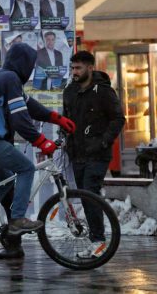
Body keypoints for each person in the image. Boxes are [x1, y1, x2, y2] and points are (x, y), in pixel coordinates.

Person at [0, 43, 76, 236]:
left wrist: (56, 118)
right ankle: (17, 219)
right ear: (25, 64)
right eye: (31, 66)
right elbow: (20, 118)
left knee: (5, 179)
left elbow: (30, 105)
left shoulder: (3, 78)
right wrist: (40, 141)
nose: (30, 71)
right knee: (26, 168)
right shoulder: (10, 78)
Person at [62, 51, 125, 258]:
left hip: (97, 153)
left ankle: (99, 241)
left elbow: (118, 119)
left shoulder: (103, 91)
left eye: (78, 68)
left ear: (90, 67)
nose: (74, 72)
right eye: (72, 68)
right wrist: (62, 138)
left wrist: (104, 141)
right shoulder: (70, 91)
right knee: (85, 196)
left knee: (90, 192)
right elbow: (66, 119)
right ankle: (96, 240)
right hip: (77, 153)